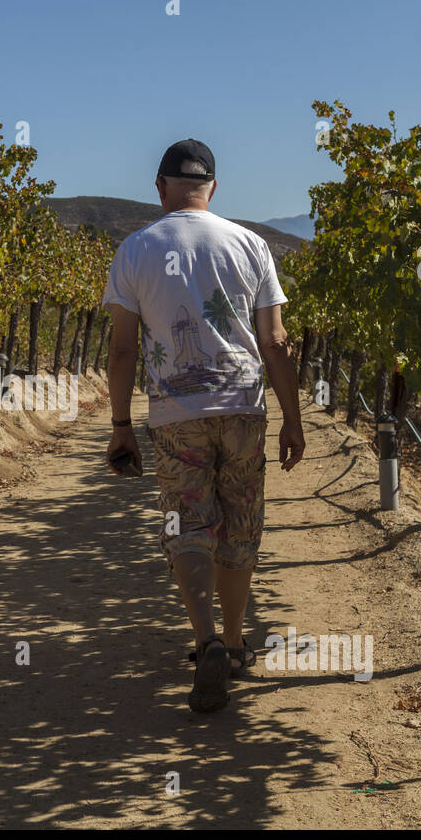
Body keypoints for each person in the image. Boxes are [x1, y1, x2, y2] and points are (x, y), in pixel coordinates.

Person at [102, 139, 304, 713]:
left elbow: (121, 350)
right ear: (213, 188)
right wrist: (291, 419)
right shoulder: (251, 245)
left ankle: (206, 640)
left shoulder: (135, 250)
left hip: (174, 416)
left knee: (185, 522)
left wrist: (121, 425)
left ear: (161, 186)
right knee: (239, 526)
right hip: (243, 410)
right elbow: (275, 341)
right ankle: (237, 644)